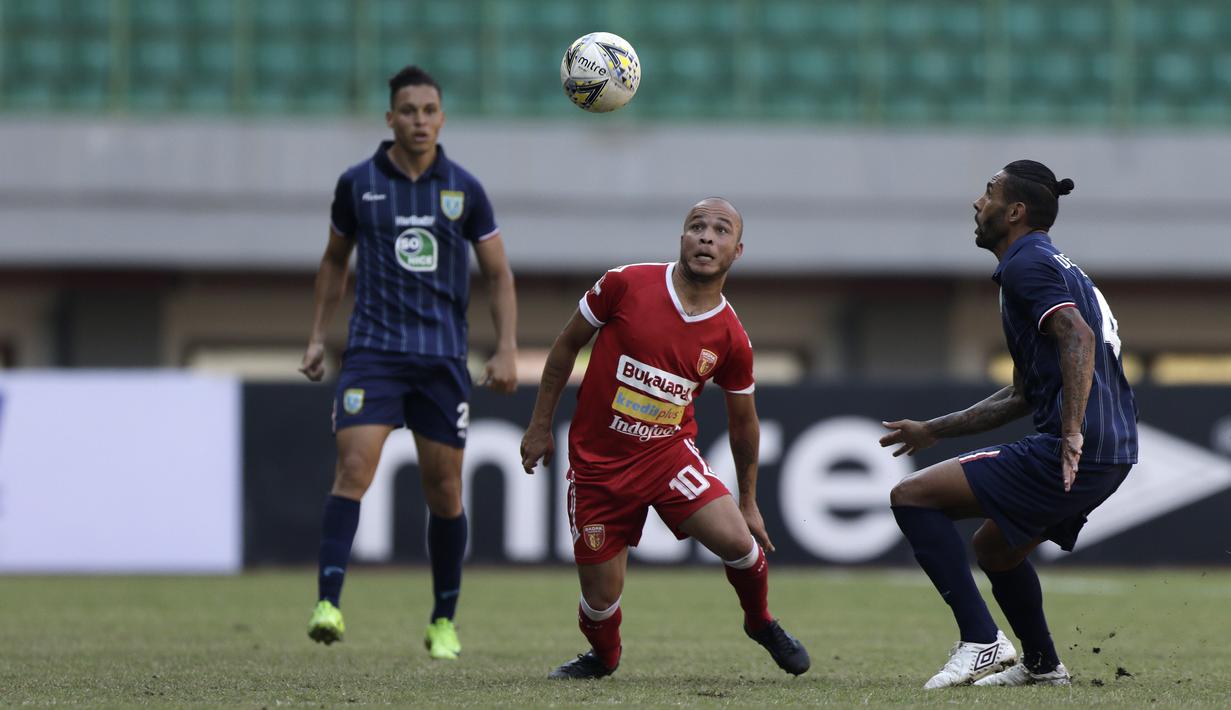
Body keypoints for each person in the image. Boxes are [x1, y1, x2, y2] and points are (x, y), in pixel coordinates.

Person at [520, 198, 810, 679]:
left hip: (667, 457)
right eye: (697, 226)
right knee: (600, 600)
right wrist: (539, 425)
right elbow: (567, 346)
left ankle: (760, 621)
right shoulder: (625, 284)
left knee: (741, 545)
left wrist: (748, 501)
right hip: (597, 466)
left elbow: (744, 423)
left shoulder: (731, 337)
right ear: (682, 238)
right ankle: (604, 657)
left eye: (721, 230)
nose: (706, 236)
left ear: (737, 251)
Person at [880, 160, 1138, 688]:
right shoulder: (1047, 263)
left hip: (1080, 445)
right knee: (995, 549)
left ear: (1015, 211)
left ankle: (981, 640)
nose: (978, 203)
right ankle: (1043, 666)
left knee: (912, 496)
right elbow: (1022, 393)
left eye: (989, 193)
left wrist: (1071, 431)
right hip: (1110, 448)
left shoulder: (1027, 265)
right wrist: (935, 429)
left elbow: (1079, 336)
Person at [299, 66, 518, 660]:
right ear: (390, 118)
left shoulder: (465, 189)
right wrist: (317, 337)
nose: (419, 120)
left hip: (442, 359)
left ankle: (443, 619)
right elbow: (334, 260)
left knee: (444, 491)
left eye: (428, 110)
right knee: (353, 469)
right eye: (408, 110)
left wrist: (506, 347)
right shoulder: (358, 183)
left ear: (441, 118)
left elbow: (498, 274)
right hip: (374, 353)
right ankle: (327, 604)